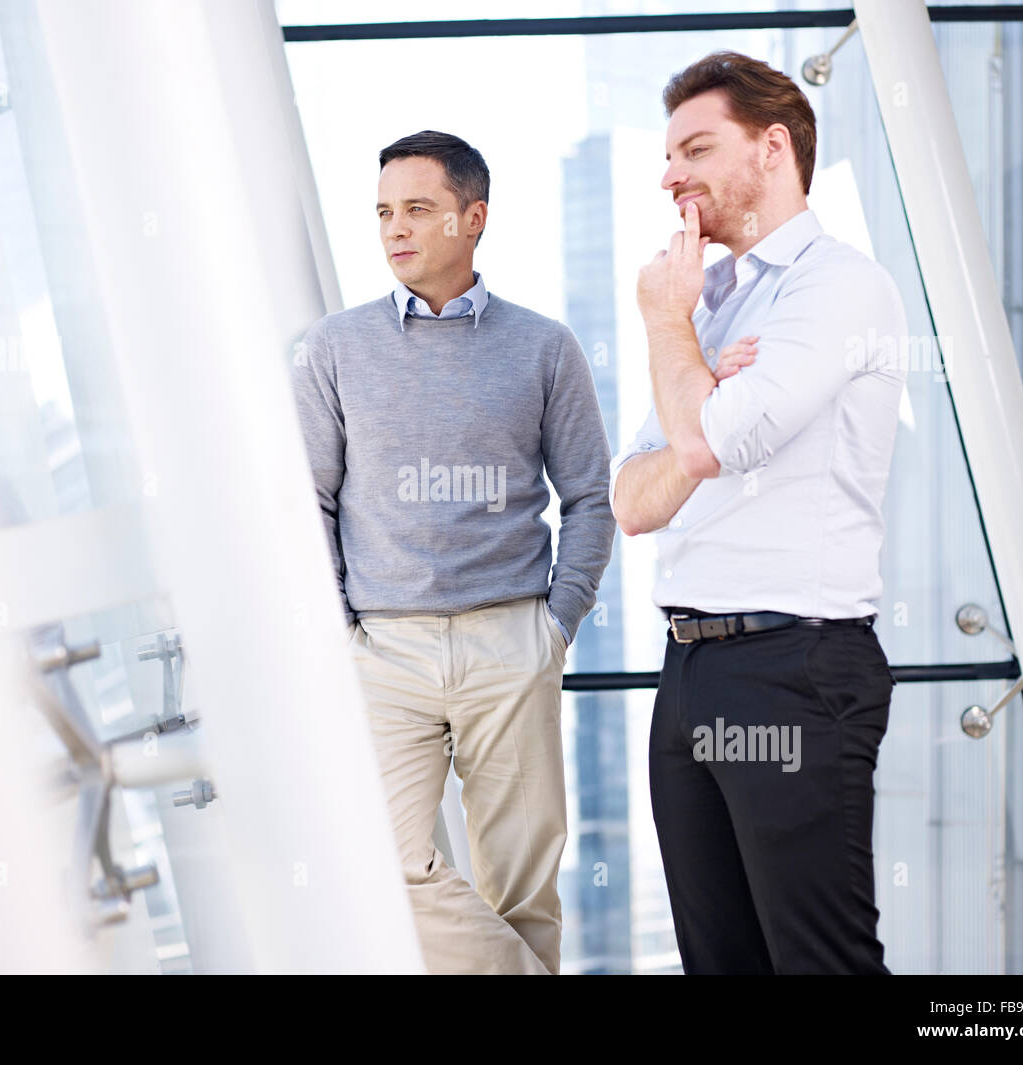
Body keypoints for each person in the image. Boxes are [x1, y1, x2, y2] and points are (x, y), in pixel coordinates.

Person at [611, 52, 906, 974]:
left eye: (696, 148)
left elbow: (702, 449)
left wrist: (669, 333)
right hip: (690, 668)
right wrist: (698, 380)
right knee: (720, 964)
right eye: (667, 156)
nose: (670, 176)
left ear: (773, 148)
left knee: (823, 964)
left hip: (795, 666)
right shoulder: (718, 307)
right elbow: (632, 497)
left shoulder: (835, 285)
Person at [293, 130, 615, 974]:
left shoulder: (544, 347)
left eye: (419, 210)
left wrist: (557, 625)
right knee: (386, 863)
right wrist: (345, 628)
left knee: (520, 886)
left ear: (473, 219)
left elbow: (590, 496)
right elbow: (310, 502)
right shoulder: (333, 348)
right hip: (385, 649)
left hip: (509, 638)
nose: (396, 229)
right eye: (384, 212)